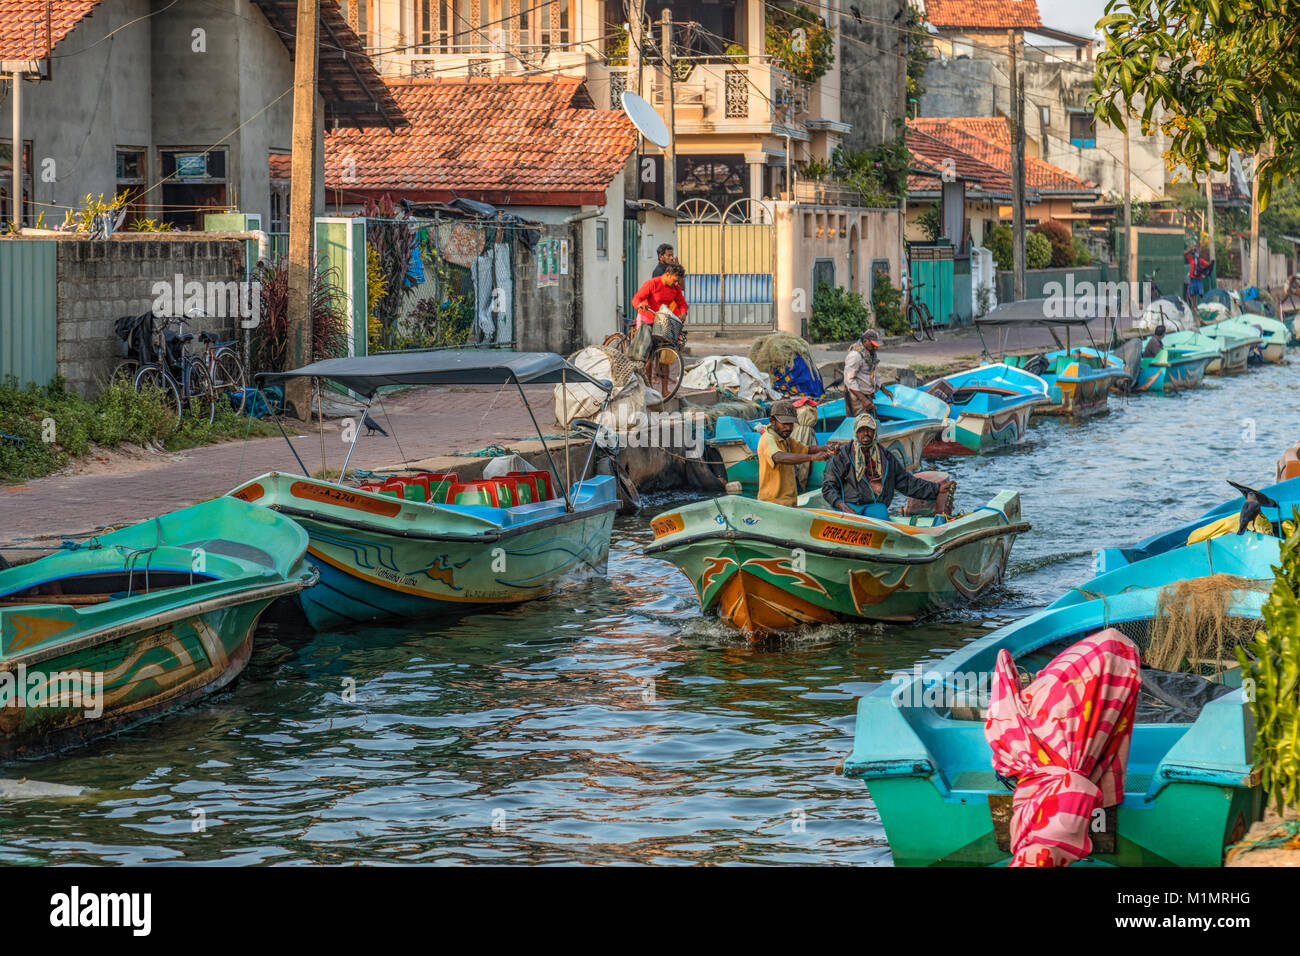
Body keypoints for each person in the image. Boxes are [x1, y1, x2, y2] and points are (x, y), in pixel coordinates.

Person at [822, 414, 954, 518]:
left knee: (881, 529)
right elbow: (828, 486)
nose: (866, 433)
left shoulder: (886, 457)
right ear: (856, 432)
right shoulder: (843, 455)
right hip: (848, 504)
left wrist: (937, 489)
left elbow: (906, 482)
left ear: (875, 433)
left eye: (869, 430)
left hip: (875, 505)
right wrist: (841, 505)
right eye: (861, 430)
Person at [757, 400, 833, 507]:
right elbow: (778, 457)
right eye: (784, 424)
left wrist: (827, 448)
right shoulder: (767, 438)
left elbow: (806, 449)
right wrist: (812, 458)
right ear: (772, 421)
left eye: (791, 424)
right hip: (772, 503)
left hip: (789, 502)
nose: (788, 428)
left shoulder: (785, 438)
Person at [843, 328, 892, 416]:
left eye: (877, 345)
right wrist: (863, 399)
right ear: (865, 341)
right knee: (860, 422)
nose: (876, 348)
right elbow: (849, 380)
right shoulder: (855, 356)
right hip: (856, 396)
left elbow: (871, 374)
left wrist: (884, 389)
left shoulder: (870, 354)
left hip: (866, 394)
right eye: (873, 345)